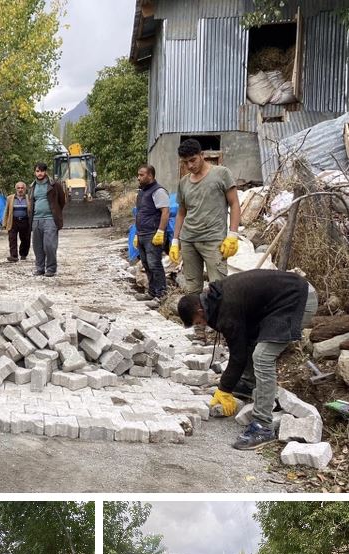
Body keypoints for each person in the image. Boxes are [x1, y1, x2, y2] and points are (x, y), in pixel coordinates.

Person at [177, 270, 317, 450]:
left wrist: (224, 388)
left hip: (297, 298)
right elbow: (241, 344)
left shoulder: (226, 307)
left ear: (199, 310)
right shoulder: (215, 299)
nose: (201, 325)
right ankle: (248, 384)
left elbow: (238, 354)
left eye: (198, 322)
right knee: (252, 341)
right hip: (283, 296)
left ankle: (263, 426)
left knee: (263, 356)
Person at [170, 138, 241, 293]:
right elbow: (182, 212)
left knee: (218, 287)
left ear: (202, 155)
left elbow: (234, 203)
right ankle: (197, 317)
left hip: (213, 240)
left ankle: (219, 318)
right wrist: (175, 241)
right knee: (192, 288)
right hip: (189, 240)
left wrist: (233, 235)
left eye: (193, 160)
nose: (190, 166)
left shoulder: (221, 173)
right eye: (185, 162)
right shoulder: (183, 182)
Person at [133, 164, 170, 300]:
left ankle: (161, 294)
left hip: (153, 234)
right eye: (138, 174)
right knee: (146, 264)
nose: (139, 178)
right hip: (142, 233)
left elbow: (165, 212)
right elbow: (140, 213)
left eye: (142, 175)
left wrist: (160, 231)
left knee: (155, 264)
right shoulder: (142, 192)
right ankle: (152, 292)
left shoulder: (158, 191)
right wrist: (137, 233)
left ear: (150, 175)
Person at [28, 162, 66, 277]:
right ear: (35, 172)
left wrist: (55, 213)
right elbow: (31, 202)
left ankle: (51, 268)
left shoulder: (54, 185)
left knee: (49, 245)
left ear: (45, 172)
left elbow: (62, 201)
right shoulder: (32, 186)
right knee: (37, 246)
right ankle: (40, 268)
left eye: (41, 171)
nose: (39, 173)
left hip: (50, 219)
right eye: (37, 171)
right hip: (36, 220)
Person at [3, 181, 32, 262]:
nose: (20, 190)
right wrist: (4, 223)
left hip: (25, 221)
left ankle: (23, 254)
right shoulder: (10, 198)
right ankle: (14, 256)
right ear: (16, 189)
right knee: (12, 239)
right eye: (18, 188)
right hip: (13, 221)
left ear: (25, 189)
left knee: (25, 239)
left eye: (22, 188)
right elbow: (7, 211)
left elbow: (31, 211)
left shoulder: (29, 198)